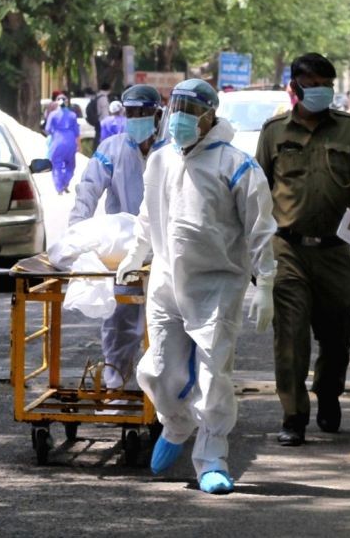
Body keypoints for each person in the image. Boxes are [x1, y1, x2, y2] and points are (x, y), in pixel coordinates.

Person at [116, 78, 276, 494]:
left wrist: (267, 282)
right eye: (177, 109)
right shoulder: (161, 160)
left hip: (218, 285)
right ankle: (176, 421)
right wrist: (137, 255)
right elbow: (149, 214)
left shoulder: (236, 165)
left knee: (213, 375)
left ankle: (212, 458)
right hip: (168, 278)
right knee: (155, 367)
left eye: (192, 112)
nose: (181, 120)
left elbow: (260, 230)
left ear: (210, 116)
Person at [255, 53, 350, 447]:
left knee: (337, 330)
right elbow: (257, 190)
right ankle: (293, 415)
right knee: (290, 333)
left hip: (336, 250)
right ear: (295, 88)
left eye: (327, 85)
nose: (322, 92)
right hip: (286, 248)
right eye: (313, 86)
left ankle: (328, 393)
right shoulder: (274, 132)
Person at [69, 84, 163, 397]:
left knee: (166, 322)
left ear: (157, 114)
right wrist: (76, 234)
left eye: (141, 113)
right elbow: (88, 189)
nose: (134, 119)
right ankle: (116, 383)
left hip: (164, 249)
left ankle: (166, 392)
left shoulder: (172, 150)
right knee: (120, 317)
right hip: (124, 250)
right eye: (130, 113)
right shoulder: (112, 149)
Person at [45, 94, 80, 194]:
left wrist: (53, 133)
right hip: (70, 142)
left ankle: (59, 187)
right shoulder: (72, 115)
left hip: (57, 142)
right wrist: (78, 145)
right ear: (67, 102)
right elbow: (77, 132)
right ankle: (65, 183)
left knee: (56, 165)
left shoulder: (53, 115)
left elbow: (47, 129)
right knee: (71, 165)